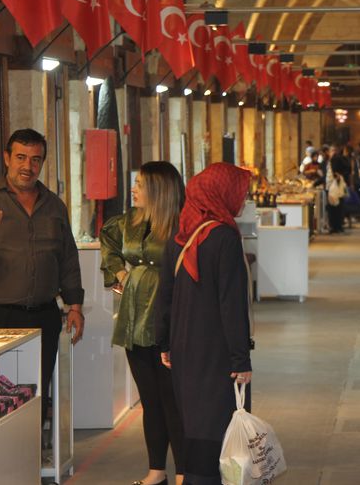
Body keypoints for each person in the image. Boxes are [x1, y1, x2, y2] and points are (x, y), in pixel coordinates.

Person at [0, 128, 85, 426]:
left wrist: (75, 306)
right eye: (21, 157)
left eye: (35, 159)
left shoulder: (54, 205)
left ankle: (30, 454)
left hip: (43, 316)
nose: (28, 166)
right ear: (7, 158)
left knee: (36, 393)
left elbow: (68, 259)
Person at [155, 163, 253, 485]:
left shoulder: (180, 235)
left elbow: (164, 295)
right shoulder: (224, 237)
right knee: (220, 428)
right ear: (221, 192)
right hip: (217, 353)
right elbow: (231, 304)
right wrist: (240, 358)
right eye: (240, 190)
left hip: (184, 350)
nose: (244, 197)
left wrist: (165, 342)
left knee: (194, 425)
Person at [99, 161, 186, 485]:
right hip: (135, 319)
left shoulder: (182, 225)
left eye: (139, 184)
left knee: (173, 402)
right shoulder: (130, 221)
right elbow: (107, 237)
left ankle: (184, 473)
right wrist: (120, 273)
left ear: (158, 190)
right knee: (150, 401)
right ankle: (156, 471)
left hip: (168, 319)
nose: (133, 189)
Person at [327, 144, 352, 233]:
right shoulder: (344, 159)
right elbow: (349, 170)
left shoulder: (335, 159)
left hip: (334, 187)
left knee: (333, 207)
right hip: (340, 186)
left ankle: (335, 226)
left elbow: (334, 173)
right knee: (339, 206)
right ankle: (339, 226)